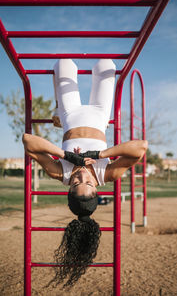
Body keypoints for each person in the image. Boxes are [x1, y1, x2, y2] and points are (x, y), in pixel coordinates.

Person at [22, 59, 148, 288]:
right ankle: (57, 111)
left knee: (64, 64)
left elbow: (28, 141)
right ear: (97, 188)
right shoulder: (107, 174)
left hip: (70, 114)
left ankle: (58, 108)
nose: (81, 176)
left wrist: (66, 155)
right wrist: (100, 154)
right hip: (100, 115)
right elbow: (141, 148)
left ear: (69, 186)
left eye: (76, 182)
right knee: (105, 65)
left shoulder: (60, 173)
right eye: (88, 183)